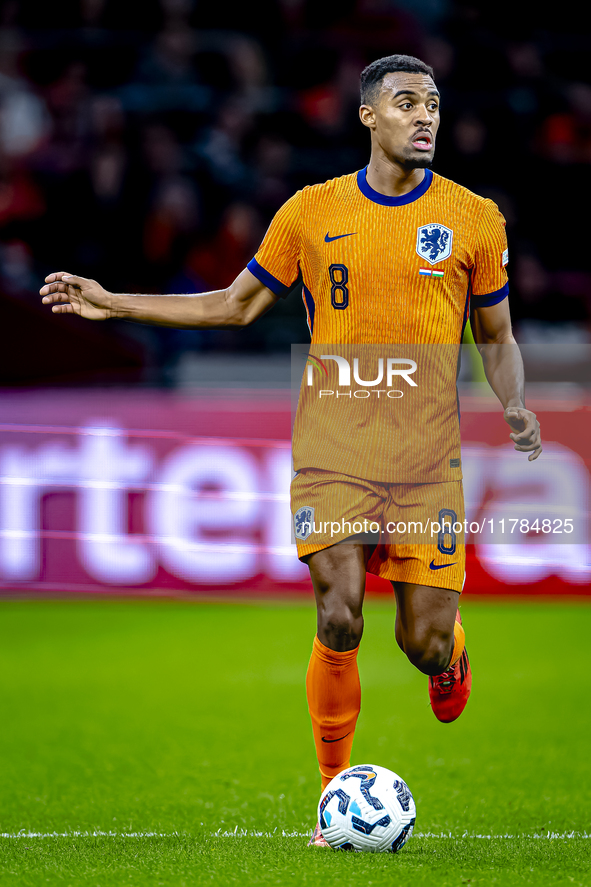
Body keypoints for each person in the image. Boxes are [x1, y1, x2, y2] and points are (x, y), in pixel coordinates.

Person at [40, 54, 542, 847]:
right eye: (407, 103)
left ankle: (450, 657)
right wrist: (115, 301)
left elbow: (497, 336)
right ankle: (332, 800)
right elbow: (235, 305)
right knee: (338, 612)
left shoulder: (474, 217)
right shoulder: (310, 212)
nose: (426, 117)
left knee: (422, 641)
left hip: (425, 460)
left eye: (434, 105)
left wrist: (512, 400)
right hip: (333, 445)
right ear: (367, 116)